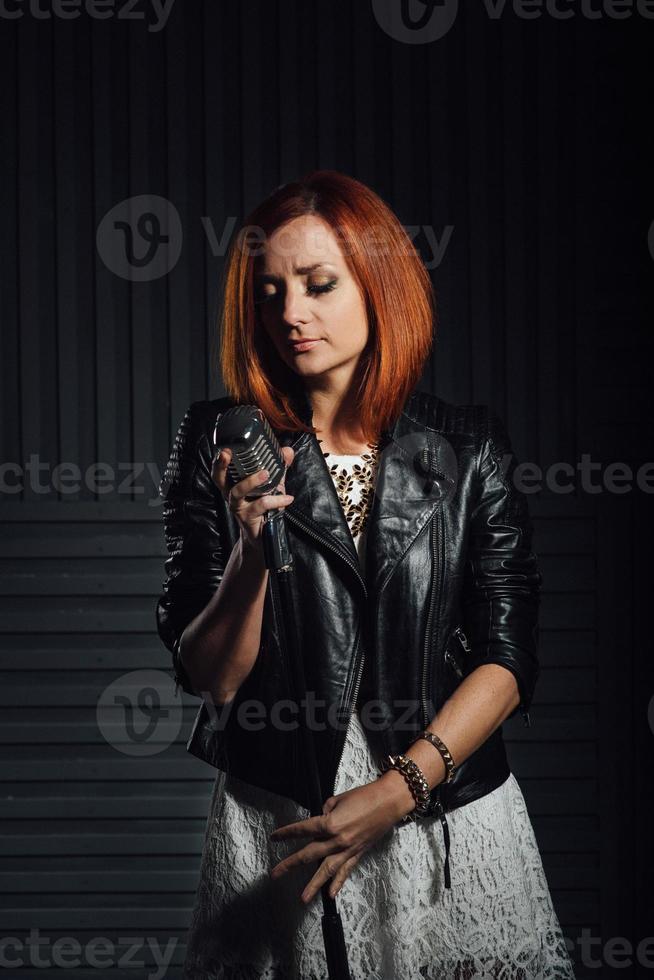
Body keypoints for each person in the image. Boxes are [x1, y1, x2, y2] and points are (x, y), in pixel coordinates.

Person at [156, 170, 577, 979]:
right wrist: (251, 550)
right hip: (282, 807)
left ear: (380, 285)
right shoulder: (218, 440)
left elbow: (508, 657)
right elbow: (211, 675)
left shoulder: (466, 446)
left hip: (438, 804)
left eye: (318, 285)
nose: (289, 313)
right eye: (270, 290)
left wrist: (395, 793)